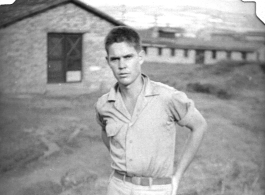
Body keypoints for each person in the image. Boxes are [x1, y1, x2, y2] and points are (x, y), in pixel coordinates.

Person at [95, 26, 207, 195]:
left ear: (140, 57)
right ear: (108, 61)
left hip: (155, 189)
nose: (122, 65)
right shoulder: (104, 104)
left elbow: (200, 126)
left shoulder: (167, 97)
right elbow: (105, 132)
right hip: (118, 187)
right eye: (115, 59)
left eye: (128, 57)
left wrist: (177, 176)